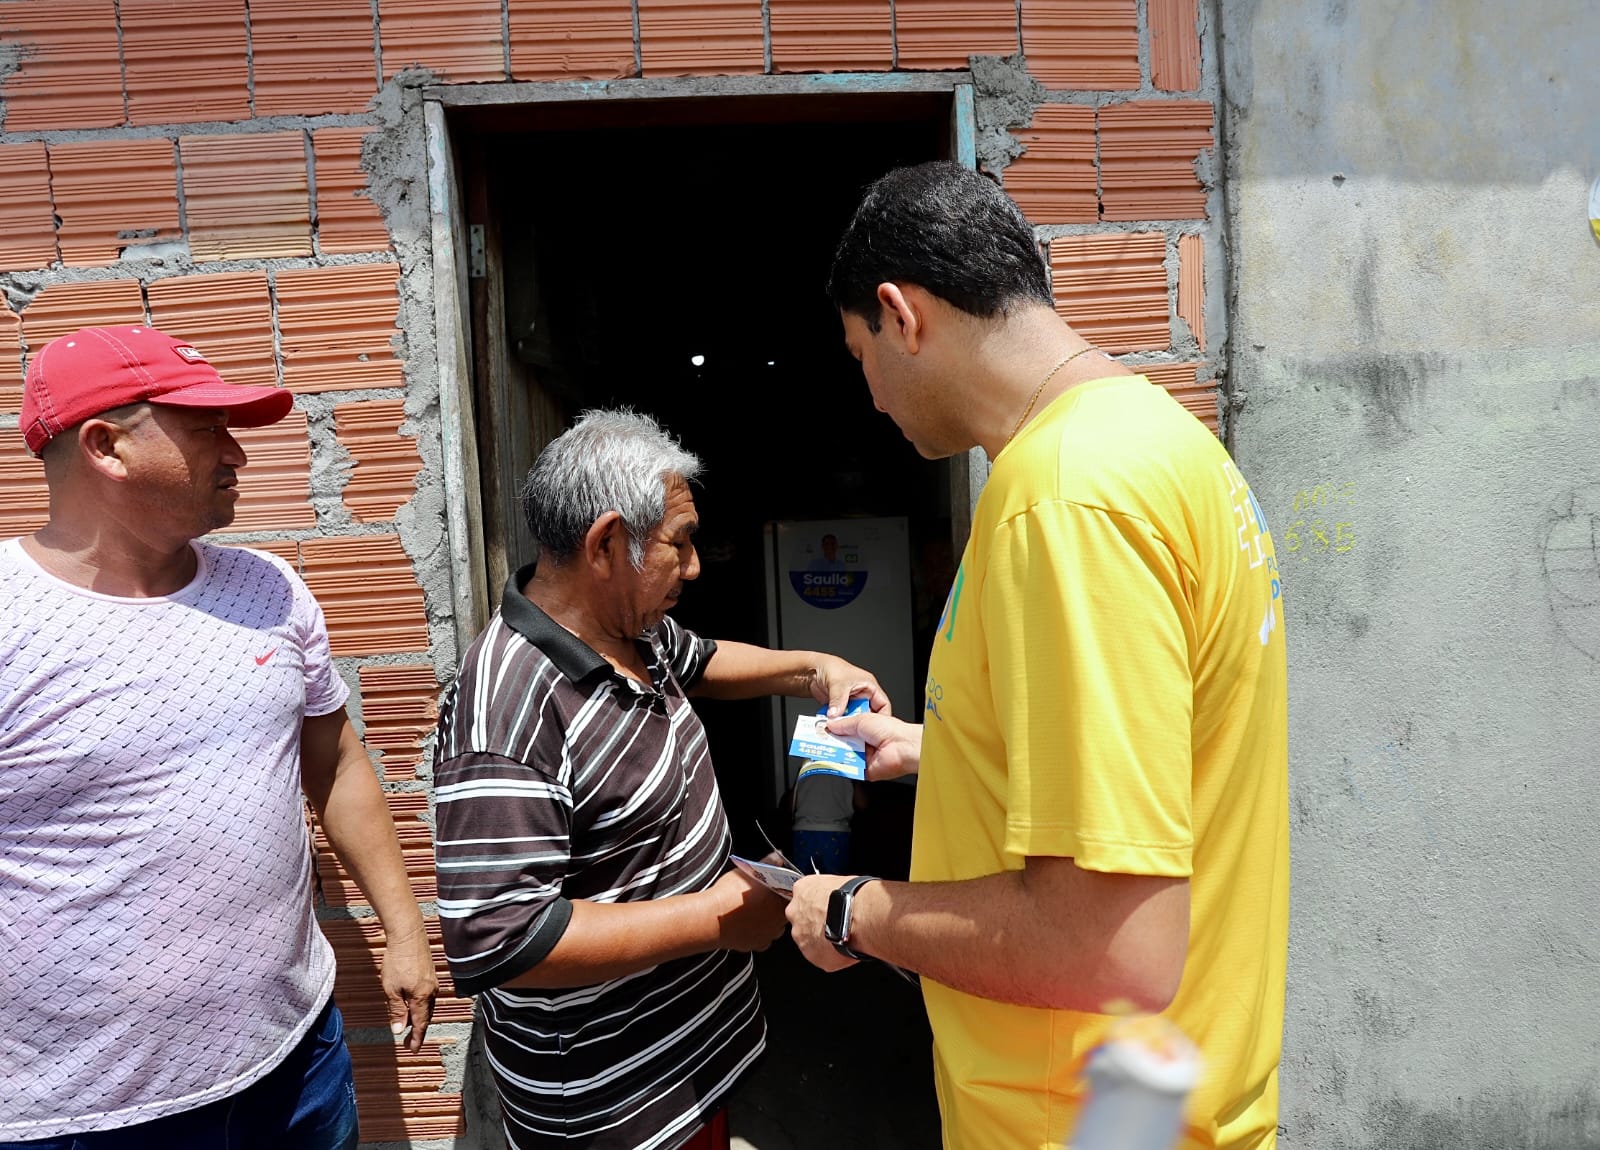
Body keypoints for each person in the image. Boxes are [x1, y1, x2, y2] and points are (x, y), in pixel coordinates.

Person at [785, 161, 1289, 1149]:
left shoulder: (1064, 496)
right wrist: (944, 749)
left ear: (901, 313)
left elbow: (1110, 943)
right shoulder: (1165, 446)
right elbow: (1158, 753)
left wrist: (851, 908)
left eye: (859, 355)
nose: (873, 398)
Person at [0, 325, 438, 1149]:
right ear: (106, 446)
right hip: (79, 1114)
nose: (236, 452)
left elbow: (337, 765)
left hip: (296, 1065)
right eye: (206, 428)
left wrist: (405, 930)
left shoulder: (267, 589)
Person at [432, 409, 889, 1150]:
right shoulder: (506, 707)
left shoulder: (629, 631)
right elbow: (501, 941)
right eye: (679, 542)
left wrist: (815, 669)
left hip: (688, 1066)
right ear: (607, 544)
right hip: (613, 1109)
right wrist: (715, 918)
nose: (697, 564)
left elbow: (703, 658)